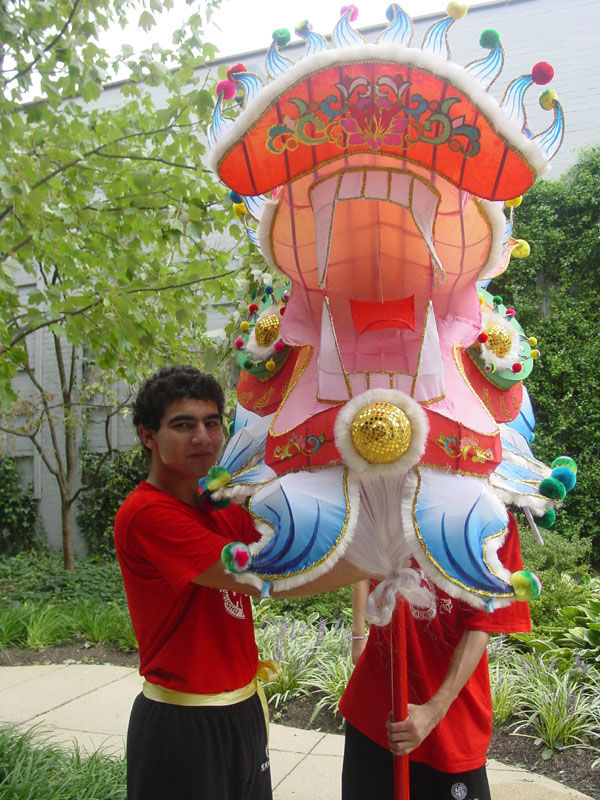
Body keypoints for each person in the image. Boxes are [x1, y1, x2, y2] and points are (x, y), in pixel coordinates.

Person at [115, 365, 363, 800]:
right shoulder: (146, 514)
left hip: (244, 709)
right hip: (183, 724)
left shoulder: (223, 508)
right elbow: (265, 575)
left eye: (212, 423)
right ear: (147, 435)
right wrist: (374, 563)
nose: (203, 437)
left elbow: (293, 540)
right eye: (184, 425)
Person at [340, 514, 531, 800]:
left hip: (451, 724)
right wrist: (358, 634)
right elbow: (358, 570)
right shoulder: (386, 504)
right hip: (373, 710)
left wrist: (433, 711)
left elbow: (482, 624)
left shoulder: (491, 519)